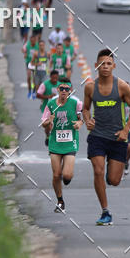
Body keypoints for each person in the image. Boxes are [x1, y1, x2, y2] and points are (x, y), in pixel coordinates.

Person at [83, 48, 130, 226]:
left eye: (108, 63)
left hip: (117, 138)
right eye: (102, 64)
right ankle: (105, 211)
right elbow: (85, 108)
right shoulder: (90, 87)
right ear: (96, 66)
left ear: (114, 66)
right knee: (98, 170)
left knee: (114, 180)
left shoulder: (122, 86)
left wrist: (126, 130)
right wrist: (87, 120)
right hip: (98, 136)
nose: (105, 67)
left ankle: (112, 173)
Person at [41, 78, 84, 213]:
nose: (64, 91)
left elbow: (83, 118)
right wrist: (49, 121)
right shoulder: (51, 104)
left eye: (67, 89)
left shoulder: (76, 103)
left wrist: (79, 124)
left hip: (70, 142)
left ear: (70, 90)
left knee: (66, 176)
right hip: (55, 143)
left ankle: (66, 179)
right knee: (56, 175)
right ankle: (60, 201)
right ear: (57, 90)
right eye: (62, 89)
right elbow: (43, 123)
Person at [23, 31, 39, 97]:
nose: (32, 42)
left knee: (34, 78)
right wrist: (25, 53)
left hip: (35, 63)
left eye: (33, 41)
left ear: (35, 40)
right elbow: (23, 49)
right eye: (31, 41)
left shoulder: (38, 46)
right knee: (29, 77)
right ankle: (29, 91)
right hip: (29, 63)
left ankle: (34, 91)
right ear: (30, 40)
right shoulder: (27, 44)